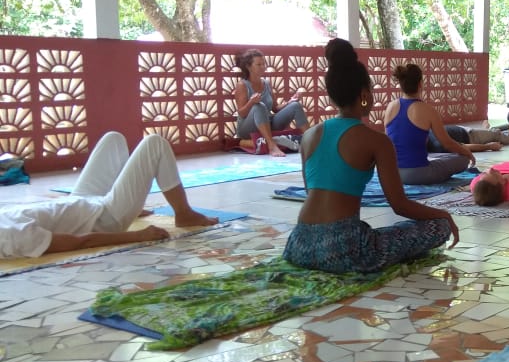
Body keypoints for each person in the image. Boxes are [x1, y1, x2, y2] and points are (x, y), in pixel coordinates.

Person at [283, 40, 458, 274]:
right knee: (437, 227)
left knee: (391, 231)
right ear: (365, 95)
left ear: (332, 97)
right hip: (345, 249)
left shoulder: (309, 136)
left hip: (299, 244)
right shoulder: (376, 140)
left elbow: (311, 192)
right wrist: (443, 214)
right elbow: (399, 205)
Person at [0, 132, 217, 259]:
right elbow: (80, 242)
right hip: (105, 217)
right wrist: (137, 235)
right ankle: (184, 213)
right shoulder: (11, 237)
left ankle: (128, 202)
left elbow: (45, 211)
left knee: (113, 138)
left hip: (81, 200)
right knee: (155, 144)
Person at [384, 63, 475, 185]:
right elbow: (447, 143)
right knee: (463, 159)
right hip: (419, 174)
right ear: (421, 83)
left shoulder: (390, 107)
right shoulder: (427, 110)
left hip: (393, 174)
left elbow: (388, 141)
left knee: (442, 159)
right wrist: (467, 152)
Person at [234, 49, 310, 157]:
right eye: (258, 64)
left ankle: (311, 141)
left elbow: (275, 108)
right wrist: (251, 102)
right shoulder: (242, 85)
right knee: (259, 106)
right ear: (249, 67)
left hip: (267, 125)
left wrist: (290, 102)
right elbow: (241, 113)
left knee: (295, 106)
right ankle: (271, 145)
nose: (263, 67)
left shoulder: (267, 83)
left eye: (264, 63)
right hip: (247, 129)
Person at [427, 124, 509, 154]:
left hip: (466, 131)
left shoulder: (427, 135)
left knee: (494, 134)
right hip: (470, 137)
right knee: (496, 135)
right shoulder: (438, 144)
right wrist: (489, 146)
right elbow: (465, 147)